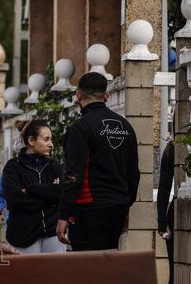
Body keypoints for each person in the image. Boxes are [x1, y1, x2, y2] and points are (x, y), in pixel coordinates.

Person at [56, 72, 140, 251]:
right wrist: (126, 206)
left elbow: (73, 174)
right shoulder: (125, 126)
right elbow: (133, 173)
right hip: (117, 207)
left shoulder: (80, 128)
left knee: (88, 267)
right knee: (109, 263)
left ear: (78, 95)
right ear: (106, 96)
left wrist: (64, 215)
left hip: (88, 209)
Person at [0, 119, 66, 253]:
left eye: (51, 139)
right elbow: (14, 200)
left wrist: (31, 189)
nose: (51, 144)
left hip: (52, 234)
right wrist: (50, 199)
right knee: (27, 274)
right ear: (31, 140)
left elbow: (63, 193)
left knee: (56, 274)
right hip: (23, 236)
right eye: (46, 139)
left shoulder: (54, 166)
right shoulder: (13, 167)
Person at [157, 137, 176, 284]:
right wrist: (162, 223)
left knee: (174, 271)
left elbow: (164, 187)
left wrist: (162, 223)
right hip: (173, 215)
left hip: (172, 213)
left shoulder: (171, 148)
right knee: (174, 272)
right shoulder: (171, 149)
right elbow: (163, 187)